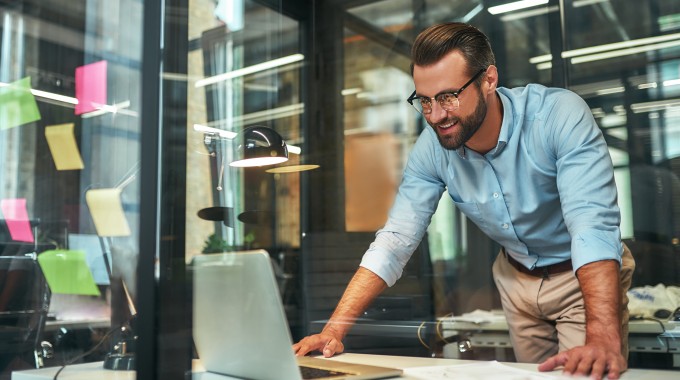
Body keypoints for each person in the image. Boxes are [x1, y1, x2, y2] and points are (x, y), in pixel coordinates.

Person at [293, 22, 635, 380]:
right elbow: (395, 240)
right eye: (424, 100)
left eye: (448, 96)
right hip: (515, 278)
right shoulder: (431, 149)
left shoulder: (557, 115)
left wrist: (602, 335)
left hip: (580, 275)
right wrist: (333, 331)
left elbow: (591, 224)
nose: (436, 115)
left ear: (488, 79)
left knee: (587, 373)